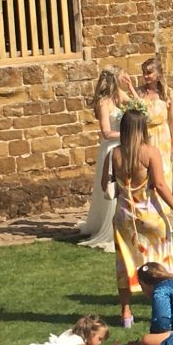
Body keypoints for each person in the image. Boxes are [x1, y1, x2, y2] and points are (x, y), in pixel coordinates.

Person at [107, 107, 173, 325]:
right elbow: (160, 185)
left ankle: (126, 313)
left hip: (124, 215)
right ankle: (164, 310)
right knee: (161, 260)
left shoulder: (115, 154)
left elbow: (106, 185)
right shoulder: (150, 152)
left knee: (125, 262)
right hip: (149, 212)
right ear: (142, 129)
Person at [74, 67, 130, 249]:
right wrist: (127, 134)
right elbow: (106, 132)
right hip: (112, 148)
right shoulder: (104, 103)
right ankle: (110, 228)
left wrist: (132, 88)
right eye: (121, 78)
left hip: (125, 147)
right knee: (112, 189)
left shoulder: (120, 97)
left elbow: (138, 107)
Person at [137, 55, 173, 172]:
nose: (145, 76)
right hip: (145, 137)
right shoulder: (140, 92)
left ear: (158, 73)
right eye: (144, 73)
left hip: (163, 137)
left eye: (149, 73)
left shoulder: (167, 92)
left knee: (164, 170)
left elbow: (172, 120)